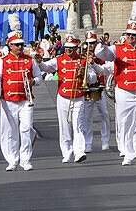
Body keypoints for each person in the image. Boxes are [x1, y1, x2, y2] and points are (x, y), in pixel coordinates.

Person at [96, 13, 136, 166]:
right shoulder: (117, 48)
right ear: (126, 34)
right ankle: (128, 152)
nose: (132, 37)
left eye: (135, 35)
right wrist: (102, 45)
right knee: (126, 123)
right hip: (124, 90)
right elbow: (102, 54)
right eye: (130, 34)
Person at [38, 31, 99, 163]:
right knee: (64, 125)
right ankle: (66, 152)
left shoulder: (83, 60)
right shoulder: (59, 60)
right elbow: (46, 67)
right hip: (63, 97)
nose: (69, 49)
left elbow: (93, 78)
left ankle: (79, 152)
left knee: (78, 124)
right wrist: (39, 62)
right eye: (67, 47)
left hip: (78, 97)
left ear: (76, 47)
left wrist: (85, 74)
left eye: (72, 47)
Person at [0, 31, 44, 171]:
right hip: (8, 101)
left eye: (21, 44)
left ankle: (25, 159)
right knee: (10, 131)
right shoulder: (3, 61)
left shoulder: (29, 60)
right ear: (10, 45)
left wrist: (34, 81)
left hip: (26, 100)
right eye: (17, 45)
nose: (20, 47)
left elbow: (39, 77)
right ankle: (12, 159)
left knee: (26, 128)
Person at [80, 32, 111, 153]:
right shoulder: (82, 56)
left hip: (99, 88)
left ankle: (105, 140)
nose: (90, 45)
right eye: (88, 43)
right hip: (87, 89)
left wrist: (94, 62)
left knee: (104, 114)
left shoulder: (101, 56)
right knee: (87, 117)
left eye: (93, 43)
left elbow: (106, 70)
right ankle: (88, 143)